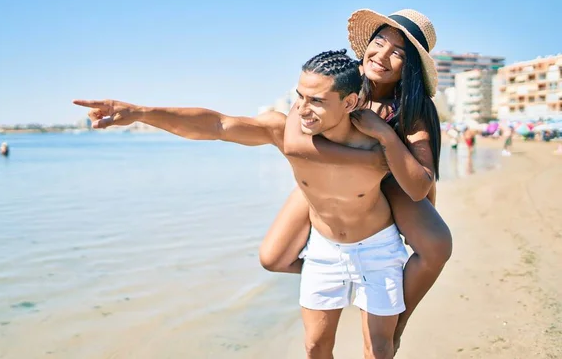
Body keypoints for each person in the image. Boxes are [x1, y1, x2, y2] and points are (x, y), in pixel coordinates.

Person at [74, 50, 410, 359]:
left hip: (376, 249)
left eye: (317, 101)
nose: (303, 109)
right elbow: (217, 125)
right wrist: (140, 113)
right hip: (324, 249)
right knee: (314, 348)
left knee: (379, 350)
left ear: (350, 101)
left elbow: (418, 183)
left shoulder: (375, 142)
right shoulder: (284, 130)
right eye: (300, 97)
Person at [258, 9, 452, 353]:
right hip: (325, 178)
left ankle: (395, 317)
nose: (383, 56)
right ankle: (347, 277)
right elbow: (296, 143)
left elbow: (420, 185)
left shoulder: (411, 107)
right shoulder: (340, 80)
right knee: (273, 258)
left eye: (398, 54)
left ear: (409, 68)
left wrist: (384, 135)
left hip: (386, 183)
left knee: (437, 245)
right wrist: (369, 159)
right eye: (379, 43)